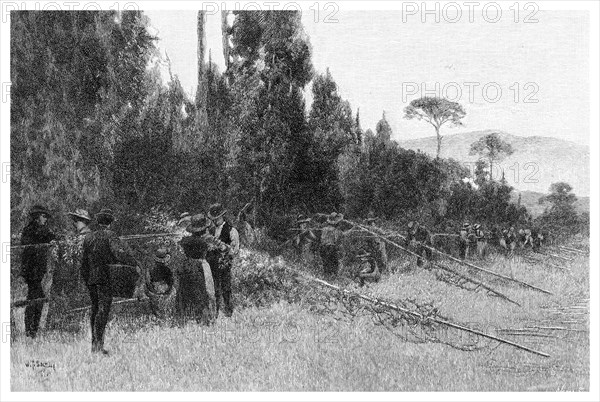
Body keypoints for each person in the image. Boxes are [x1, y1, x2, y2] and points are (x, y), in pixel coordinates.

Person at [80, 208, 138, 355]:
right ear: (110, 223)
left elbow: (84, 262)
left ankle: (95, 345)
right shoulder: (110, 235)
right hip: (106, 277)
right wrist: (133, 262)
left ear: (98, 222)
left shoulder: (88, 237)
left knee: (95, 310)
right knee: (103, 310)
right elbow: (119, 253)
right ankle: (98, 347)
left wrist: (86, 278)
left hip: (91, 278)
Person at [20, 205, 56, 338]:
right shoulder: (29, 230)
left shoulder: (43, 230)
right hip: (31, 272)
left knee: (34, 298)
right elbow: (28, 245)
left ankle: (32, 331)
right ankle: (31, 331)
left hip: (38, 272)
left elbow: (52, 237)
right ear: (36, 217)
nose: (45, 219)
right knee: (36, 299)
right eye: (43, 216)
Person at [179, 214, 217, 324]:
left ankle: (188, 318)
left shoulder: (186, 240)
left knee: (187, 293)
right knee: (208, 292)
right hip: (201, 265)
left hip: (187, 265)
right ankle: (208, 318)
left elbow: (183, 242)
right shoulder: (203, 241)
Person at [206, 204, 239, 318]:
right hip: (212, 264)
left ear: (222, 216)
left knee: (226, 288)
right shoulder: (210, 230)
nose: (215, 221)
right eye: (213, 219)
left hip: (224, 264)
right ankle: (215, 314)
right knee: (214, 290)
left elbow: (234, 251)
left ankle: (229, 313)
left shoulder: (231, 230)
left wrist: (222, 246)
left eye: (217, 218)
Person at [319, 212, 351, 277]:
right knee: (334, 264)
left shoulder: (324, 229)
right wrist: (352, 230)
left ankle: (326, 277)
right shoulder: (336, 230)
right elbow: (341, 237)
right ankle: (334, 278)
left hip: (322, 248)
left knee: (326, 264)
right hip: (330, 248)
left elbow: (321, 239)